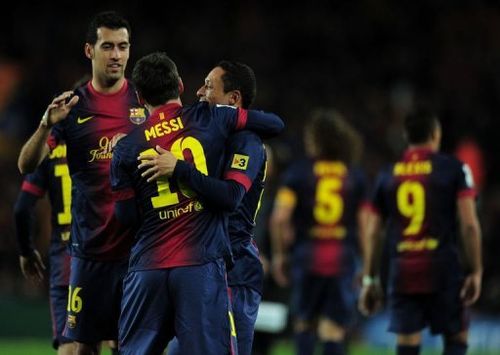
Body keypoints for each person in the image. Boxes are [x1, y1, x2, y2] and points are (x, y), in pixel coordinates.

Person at [110, 52, 283, 355]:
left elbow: (230, 198)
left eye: (208, 86)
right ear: (177, 85)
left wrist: (179, 169)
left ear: (233, 98)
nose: (200, 92)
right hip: (199, 263)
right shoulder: (207, 125)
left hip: (232, 267)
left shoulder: (246, 142)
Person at [17, 11, 146, 354]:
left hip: (136, 252)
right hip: (88, 254)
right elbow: (25, 164)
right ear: (90, 50)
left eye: (123, 46)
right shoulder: (72, 107)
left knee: (129, 345)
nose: (116, 55)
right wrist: (45, 125)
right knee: (82, 348)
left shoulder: (143, 103)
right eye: (108, 46)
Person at [358, 108, 482, 355]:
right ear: (436, 134)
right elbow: (469, 224)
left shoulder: (387, 173)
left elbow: (373, 231)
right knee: (456, 337)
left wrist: (370, 279)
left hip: (403, 270)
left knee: (407, 345)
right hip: (444, 267)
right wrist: (475, 270)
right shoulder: (454, 168)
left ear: (406, 136)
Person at [270, 109, 368, 355]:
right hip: (341, 258)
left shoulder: (299, 173)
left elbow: (279, 218)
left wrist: (280, 254)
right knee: (333, 329)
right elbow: (367, 225)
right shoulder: (354, 176)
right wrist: (367, 266)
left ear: (315, 139)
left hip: (307, 257)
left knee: (305, 324)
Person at [14, 141, 74, 355]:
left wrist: (26, 252)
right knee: (119, 338)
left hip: (65, 263)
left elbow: (22, 209)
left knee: (70, 344)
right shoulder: (102, 138)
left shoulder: (48, 149)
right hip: (104, 255)